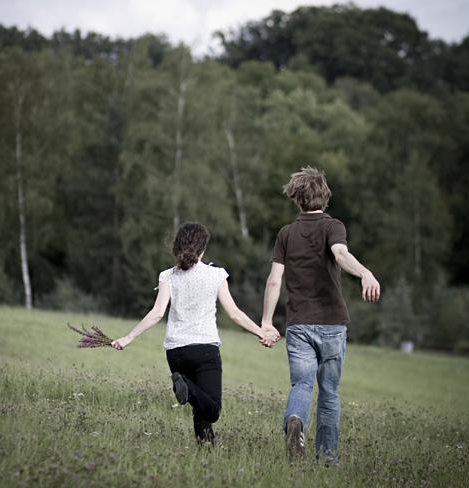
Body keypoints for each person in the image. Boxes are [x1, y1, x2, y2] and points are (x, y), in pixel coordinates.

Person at [112, 222, 280, 444]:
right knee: (212, 410)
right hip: (204, 351)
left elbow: (157, 313)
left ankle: (206, 455)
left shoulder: (167, 276)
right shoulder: (216, 275)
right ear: (202, 249)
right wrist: (261, 333)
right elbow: (235, 314)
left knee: (200, 408)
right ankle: (188, 389)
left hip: (175, 353)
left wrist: (128, 337)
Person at [261, 167, 380, 463]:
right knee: (329, 392)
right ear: (324, 197)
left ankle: (295, 421)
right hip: (331, 324)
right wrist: (365, 273)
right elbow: (340, 254)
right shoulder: (333, 226)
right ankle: (327, 456)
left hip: (299, 323)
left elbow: (274, 280)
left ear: (296, 200)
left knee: (301, 385)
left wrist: (266, 322)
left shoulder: (286, 233)